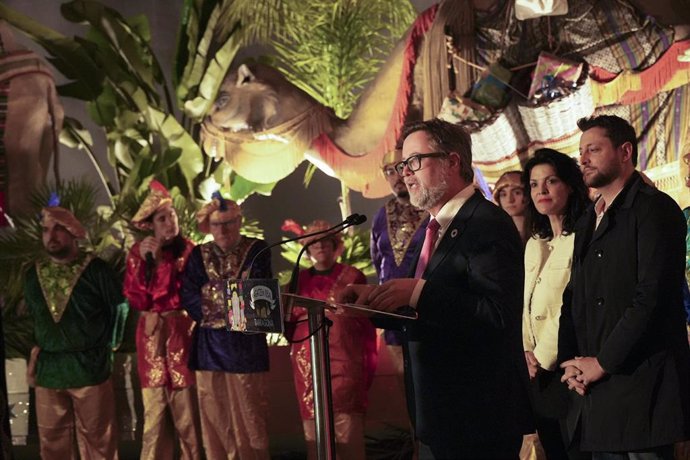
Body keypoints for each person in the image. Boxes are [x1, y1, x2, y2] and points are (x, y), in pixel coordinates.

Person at [339, 118, 532, 459]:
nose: (405, 174)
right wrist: (373, 304)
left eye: (414, 162)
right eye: (402, 165)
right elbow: (423, 313)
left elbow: (496, 313)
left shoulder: (487, 223)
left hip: (478, 415)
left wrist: (418, 293)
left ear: (452, 161)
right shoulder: (432, 229)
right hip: (438, 412)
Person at [558, 115, 690, 459]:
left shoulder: (655, 209)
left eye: (594, 149)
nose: (583, 159)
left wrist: (601, 362)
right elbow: (575, 295)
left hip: (644, 386)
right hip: (595, 389)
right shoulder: (588, 218)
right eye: (580, 152)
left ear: (625, 151)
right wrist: (570, 362)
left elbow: (651, 297)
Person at [24, 203, 124, 459]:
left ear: (73, 231)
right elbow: (30, 319)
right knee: (51, 442)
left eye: (58, 229)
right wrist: (35, 354)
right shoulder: (32, 274)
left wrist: (109, 347)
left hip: (89, 368)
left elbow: (119, 307)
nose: (51, 236)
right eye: (45, 230)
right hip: (49, 372)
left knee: (98, 441)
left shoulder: (97, 270)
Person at [180, 194, 271, 459]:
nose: (223, 230)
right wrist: (234, 294)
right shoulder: (198, 254)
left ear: (239, 221)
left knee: (251, 416)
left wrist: (211, 292)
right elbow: (188, 293)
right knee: (215, 418)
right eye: (217, 224)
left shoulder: (257, 249)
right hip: (209, 349)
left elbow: (259, 294)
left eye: (229, 223)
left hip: (246, 347)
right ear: (209, 226)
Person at [285, 220, 377, 460]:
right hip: (307, 367)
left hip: (345, 363)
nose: (321, 246)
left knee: (347, 431)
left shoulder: (352, 276)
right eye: (314, 242)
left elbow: (365, 322)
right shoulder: (297, 280)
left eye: (326, 240)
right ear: (306, 247)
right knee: (314, 433)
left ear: (335, 244)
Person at [123, 180, 201, 460]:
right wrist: (151, 262)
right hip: (151, 338)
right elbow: (137, 299)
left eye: (172, 216)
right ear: (151, 225)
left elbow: (185, 293)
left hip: (182, 333)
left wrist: (161, 264)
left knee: (188, 413)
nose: (170, 222)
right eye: (162, 218)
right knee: (154, 414)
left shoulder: (190, 251)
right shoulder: (137, 254)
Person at [521, 149, 590, 460]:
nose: (541, 191)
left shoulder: (585, 237)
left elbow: (570, 304)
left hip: (568, 366)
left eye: (550, 181)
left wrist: (540, 355)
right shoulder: (534, 243)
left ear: (570, 185)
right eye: (534, 184)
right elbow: (525, 305)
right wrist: (524, 351)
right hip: (535, 371)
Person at [370, 150, 428, 378]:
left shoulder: (433, 210)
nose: (396, 175)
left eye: (400, 167)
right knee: (405, 383)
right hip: (391, 313)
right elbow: (377, 261)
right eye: (388, 171)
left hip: (425, 311)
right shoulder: (380, 216)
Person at [494, 170, 531, 244]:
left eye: (517, 193)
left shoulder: (542, 232)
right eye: (503, 194)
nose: (509, 200)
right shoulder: (496, 235)